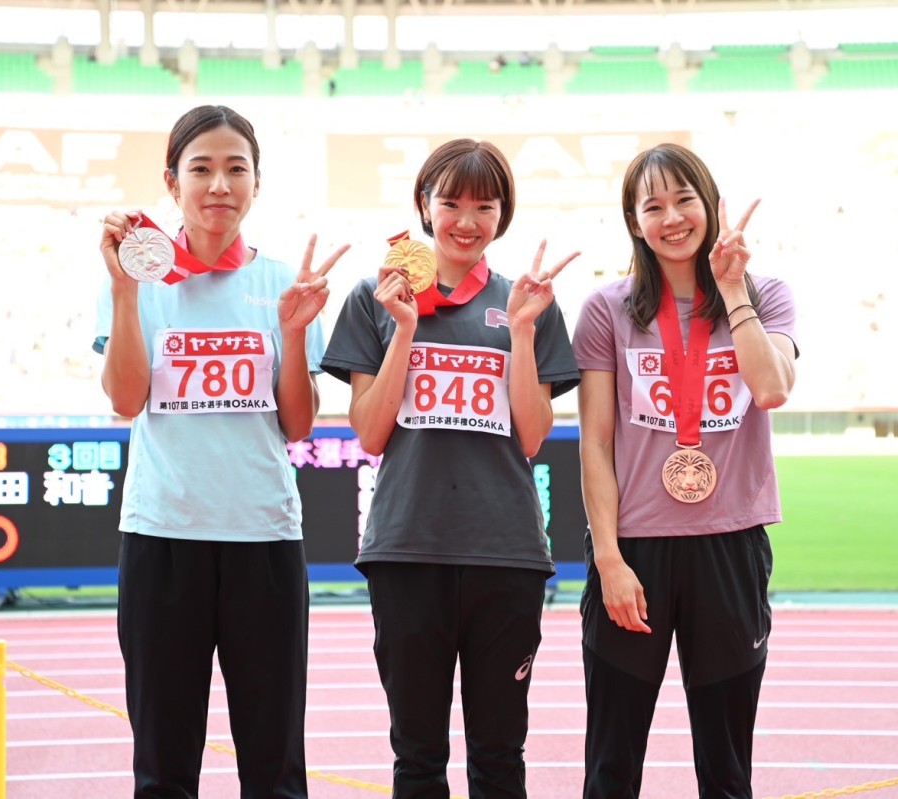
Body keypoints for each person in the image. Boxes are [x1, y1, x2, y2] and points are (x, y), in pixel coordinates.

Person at [94, 104, 348, 798]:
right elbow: (126, 400)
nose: (219, 185)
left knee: (274, 768)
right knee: (163, 767)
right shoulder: (137, 280)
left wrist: (292, 332)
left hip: (262, 539)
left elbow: (298, 425)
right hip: (162, 538)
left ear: (256, 184)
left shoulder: (284, 284)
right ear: (171, 182)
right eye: (200, 168)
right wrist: (124, 291)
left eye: (236, 169)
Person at [320, 138, 580, 798]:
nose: (467, 221)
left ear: (503, 214)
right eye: (452, 203)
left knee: (499, 756)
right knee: (417, 757)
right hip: (408, 550)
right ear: (425, 205)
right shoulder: (374, 297)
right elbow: (371, 433)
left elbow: (532, 435)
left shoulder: (527, 302)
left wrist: (522, 331)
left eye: (485, 206)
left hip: (506, 552)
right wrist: (405, 330)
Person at [572, 142, 798, 798]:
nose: (671, 218)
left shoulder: (766, 294)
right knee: (611, 768)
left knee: (726, 772)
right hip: (634, 550)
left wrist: (732, 289)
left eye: (684, 200)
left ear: (713, 206)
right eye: (653, 206)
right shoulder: (606, 309)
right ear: (634, 221)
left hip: (730, 546)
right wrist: (609, 560)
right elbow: (595, 444)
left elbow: (772, 387)